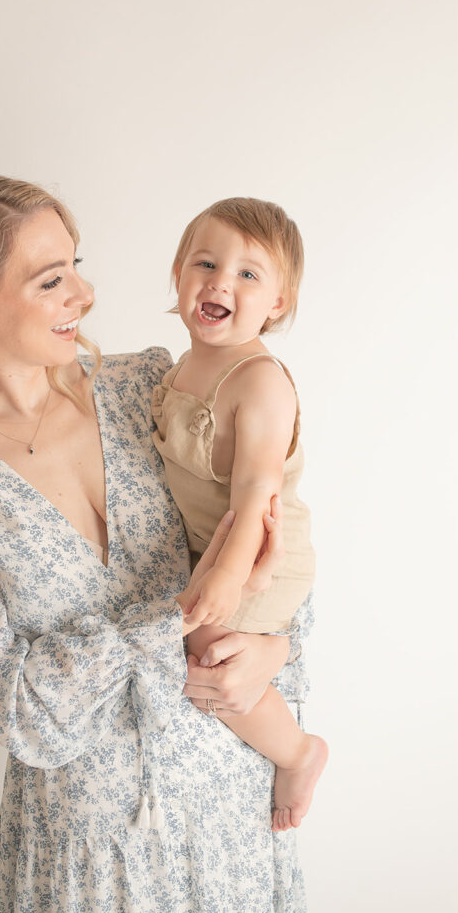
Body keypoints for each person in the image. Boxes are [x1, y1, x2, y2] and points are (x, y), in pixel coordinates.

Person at [0, 174, 313, 913]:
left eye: (77, 265)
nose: (86, 292)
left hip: (231, 822)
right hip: (89, 866)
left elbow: (271, 543)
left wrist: (276, 647)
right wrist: (173, 618)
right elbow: (17, 706)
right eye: (52, 279)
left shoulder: (148, 386)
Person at [152, 197, 328, 833]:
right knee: (196, 632)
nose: (221, 280)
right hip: (215, 542)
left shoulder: (258, 380)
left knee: (210, 648)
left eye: (249, 275)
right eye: (206, 262)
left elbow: (256, 491)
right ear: (179, 274)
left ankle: (298, 751)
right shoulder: (184, 367)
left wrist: (228, 577)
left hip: (264, 550)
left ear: (277, 304)